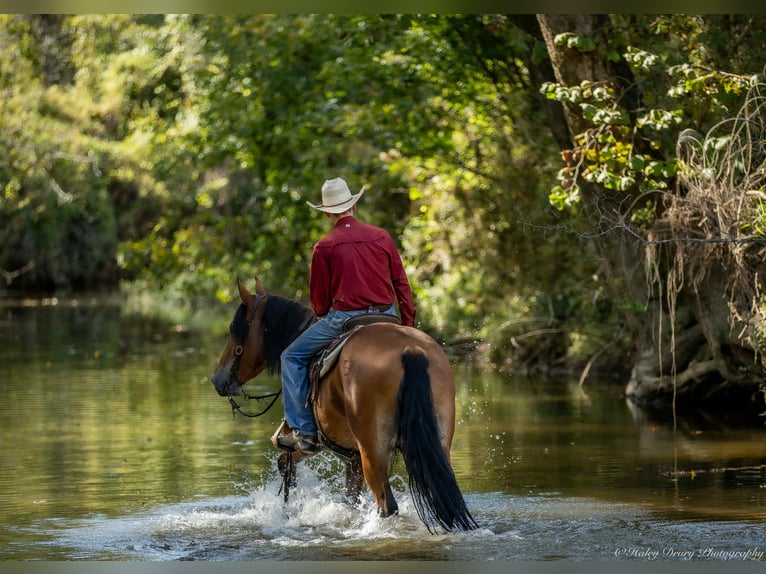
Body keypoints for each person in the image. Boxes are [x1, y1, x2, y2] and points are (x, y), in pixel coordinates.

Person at [277, 177, 416, 453]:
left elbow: (318, 304)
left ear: (327, 213)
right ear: (354, 204)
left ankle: (304, 431)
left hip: (345, 319)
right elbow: (402, 284)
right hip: (387, 316)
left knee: (290, 357)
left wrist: (325, 312)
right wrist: (407, 326)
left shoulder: (324, 246)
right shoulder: (381, 236)